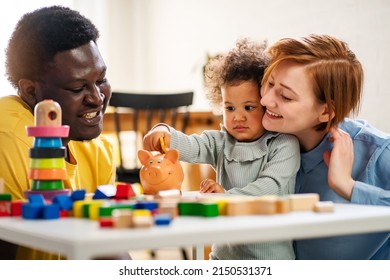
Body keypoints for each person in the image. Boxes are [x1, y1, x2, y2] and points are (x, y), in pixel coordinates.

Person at [143, 38, 300, 260]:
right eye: (229, 107)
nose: (238, 116)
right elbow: (194, 146)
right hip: (224, 257)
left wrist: (226, 196)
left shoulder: (284, 144)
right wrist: (165, 133)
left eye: (249, 107)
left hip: (270, 259)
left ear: (266, 103)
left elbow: (270, 187)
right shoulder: (221, 141)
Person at [0, 6, 116, 259]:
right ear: (31, 92)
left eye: (101, 80)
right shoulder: (8, 139)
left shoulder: (98, 149)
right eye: (77, 87)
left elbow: (105, 252)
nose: (97, 99)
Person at [260, 34, 390, 259]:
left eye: (286, 96)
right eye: (270, 83)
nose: (265, 101)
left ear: (326, 112)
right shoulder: (267, 140)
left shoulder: (377, 152)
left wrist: (347, 186)